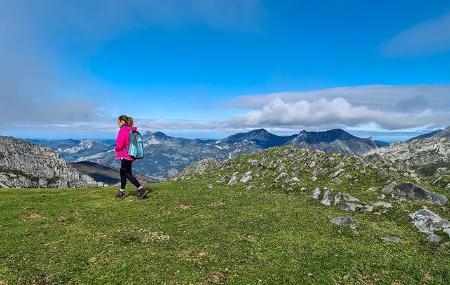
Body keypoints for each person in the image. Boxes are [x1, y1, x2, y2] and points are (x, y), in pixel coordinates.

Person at [114, 115, 148, 199]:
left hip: (125, 155)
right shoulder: (131, 130)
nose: (117, 124)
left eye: (118, 122)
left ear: (122, 121)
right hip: (130, 155)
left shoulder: (123, 130)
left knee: (127, 173)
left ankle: (141, 189)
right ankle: (121, 191)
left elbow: (119, 145)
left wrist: (116, 148)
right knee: (123, 172)